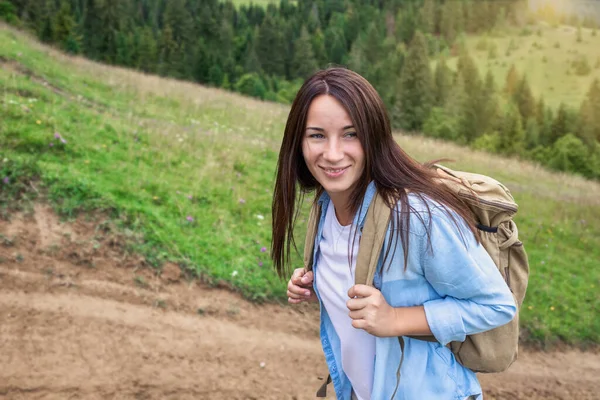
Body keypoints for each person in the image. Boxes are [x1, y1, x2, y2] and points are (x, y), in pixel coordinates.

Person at [270, 68, 516, 400]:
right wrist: (322, 285)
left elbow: (496, 304)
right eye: (317, 135)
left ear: (374, 136)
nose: (331, 153)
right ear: (298, 142)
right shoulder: (325, 207)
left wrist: (396, 319)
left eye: (350, 134)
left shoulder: (416, 216)